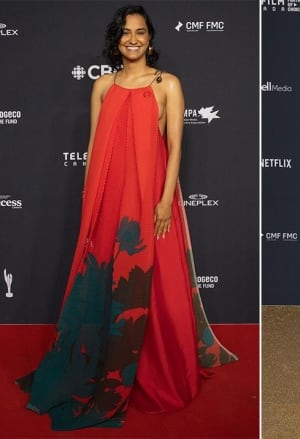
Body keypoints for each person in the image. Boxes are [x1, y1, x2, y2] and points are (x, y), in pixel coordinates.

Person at [16, 5, 237, 429]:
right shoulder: (102, 86)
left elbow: (174, 148)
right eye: (125, 33)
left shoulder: (167, 84)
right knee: (102, 279)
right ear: (116, 40)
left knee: (153, 283)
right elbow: (95, 148)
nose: (132, 39)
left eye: (140, 32)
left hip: (150, 199)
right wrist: (89, 200)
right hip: (107, 199)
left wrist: (164, 199)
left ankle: (156, 374)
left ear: (150, 39)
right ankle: (98, 365)